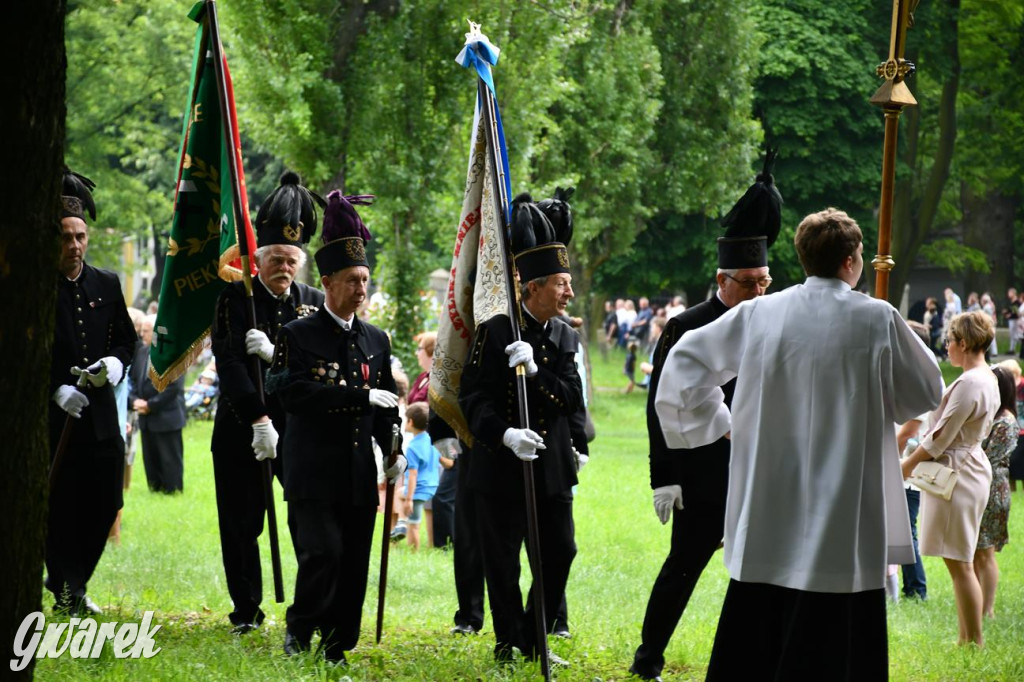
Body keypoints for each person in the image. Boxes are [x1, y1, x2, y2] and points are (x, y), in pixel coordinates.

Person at [656, 207, 942, 679]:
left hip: (771, 494)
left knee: (757, 632)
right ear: (851, 260)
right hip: (845, 502)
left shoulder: (760, 313)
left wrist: (721, 421)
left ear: (804, 257)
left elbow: (683, 366)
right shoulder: (877, 317)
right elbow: (926, 391)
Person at [630, 152, 782, 681]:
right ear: (722, 278)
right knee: (683, 567)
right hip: (701, 470)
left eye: (764, 281)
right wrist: (664, 476)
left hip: (757, 465)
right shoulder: (686, 326)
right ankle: (648, 657)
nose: (758, 291)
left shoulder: (774, 320)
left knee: (763, 571)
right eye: (748, 282)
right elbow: (659, 405)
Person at [267, 190, 405, 663]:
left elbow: (386, 406)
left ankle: (336, 644)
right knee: (322, 553)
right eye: (351, 281)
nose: (360, 289)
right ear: (326, 283)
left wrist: (395, 447)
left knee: (353, 561)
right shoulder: (297, 334)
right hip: (312, 469)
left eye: (364, 280)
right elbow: (289, 393)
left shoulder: (376, 339)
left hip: (357, 472)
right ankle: (300, 629)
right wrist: (356, 397)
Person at [458, 192, 588, 665]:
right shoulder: (495, 330)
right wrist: (505, 435)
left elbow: (571, 397)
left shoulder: (565, 335)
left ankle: (535, 636)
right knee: (503, 561)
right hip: (501, 467)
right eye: (561, 284)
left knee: (561, 551)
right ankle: (508, 642)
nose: (569, 293)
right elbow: (473, 400)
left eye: (569, 283)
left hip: (551, 466)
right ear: (533, 287)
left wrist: (535, 373)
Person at [209, 172, 326, 634]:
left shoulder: (314, 303)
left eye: (291, 260)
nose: (284, 267)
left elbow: (318, 367)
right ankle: (246, 611)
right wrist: (258, 419)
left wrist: (277, 353)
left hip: (299, 429)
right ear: (258, 259)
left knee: (308, 520)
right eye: (276, 258)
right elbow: (230, 364)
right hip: (243, 426)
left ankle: (310, 605)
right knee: (241, 524)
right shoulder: (235, 297)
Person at [47, 168, 137, 615]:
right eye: (66, 237)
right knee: (60, 505)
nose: (74, 245)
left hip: (101, 418)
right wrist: (55, 390)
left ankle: (72, 581)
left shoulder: (106, 283)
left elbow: (126, 340)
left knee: (106, 502)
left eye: (80, 236)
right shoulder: (36, 288)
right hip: (56, 421)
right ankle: (69, 592)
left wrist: (116, 364)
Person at [901, 310, 999, 647]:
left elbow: (939, 437)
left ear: (964, 343)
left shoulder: (971, 382)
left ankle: (972, 640)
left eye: (949, 341)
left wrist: (905, 467)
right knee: (961, 561)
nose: (947, 347)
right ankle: (966, 637)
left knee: (960, 563)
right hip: (968, 466)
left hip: (959, 472)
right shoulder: (987, 377)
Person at [973, 364, 1017, 618]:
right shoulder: (989, 416)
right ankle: (977, 604)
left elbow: (988, 458)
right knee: (975, 551)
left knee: (986, 550)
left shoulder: (1006, 421)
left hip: (992, 490)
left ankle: (987, 609)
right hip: (980, 487)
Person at [129, 313, 186, 493]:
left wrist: (150, 405)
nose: (142, 334)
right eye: (142, 330)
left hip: (166, 415)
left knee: (169, 457)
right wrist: (135, 401)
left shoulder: (172, 353)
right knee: (150, 457)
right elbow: (133, 379)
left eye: (146, 331)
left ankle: (172, 490)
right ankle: (154, 488)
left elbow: (174, 386)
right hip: (145, 418)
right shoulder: (142, 352)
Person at [402, 402, 441, 551]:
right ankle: (400, 525)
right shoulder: (431, 439)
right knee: (399, 494)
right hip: (432, 485)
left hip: (418, 489)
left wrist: (409, 499)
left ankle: (414, 552)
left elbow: (413, 474)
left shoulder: (412, 447)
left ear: (411, 422)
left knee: (414, 524)